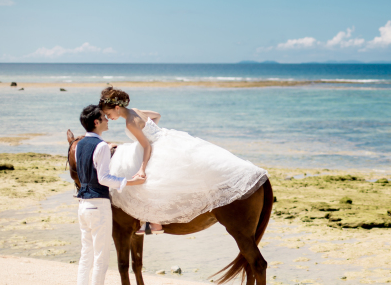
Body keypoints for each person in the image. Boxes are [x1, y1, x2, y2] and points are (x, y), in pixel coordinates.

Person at [98, 86, 268, 230]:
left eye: (108, 113)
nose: (108, 118)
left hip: (155, 147)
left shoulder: (129, 123)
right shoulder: (135, 111)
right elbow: (157, 115)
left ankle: (155, 223)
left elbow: (147, 146)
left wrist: (142, 169)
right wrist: (151, 132)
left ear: (117, 108)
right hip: (167, 138)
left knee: (149, 184)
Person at [75, 104, 145, 285]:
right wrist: (130, 182)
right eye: (104, 118)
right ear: (96, 122)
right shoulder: (101, 146)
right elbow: (104, 178)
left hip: (83, 205)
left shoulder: (79, 145)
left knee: (86, 255)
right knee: (100, 257)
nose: (107, 120)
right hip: (98, 205)